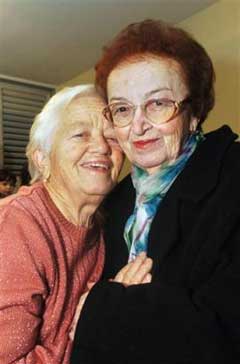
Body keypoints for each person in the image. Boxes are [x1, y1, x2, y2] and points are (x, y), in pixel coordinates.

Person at [71, 20, 240, 364]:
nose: (138, 125)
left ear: (193, 113)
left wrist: (100, 306)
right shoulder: (115, 200)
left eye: (158, 103)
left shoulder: (233, 179)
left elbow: (224, 336)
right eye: (122, 108)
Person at [0, 84, 153, 364]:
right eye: (80, 134)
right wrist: (87, 325)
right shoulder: (16, 226)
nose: (101, 147)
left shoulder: (105, 224)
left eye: (112, 137)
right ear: (42, 158)